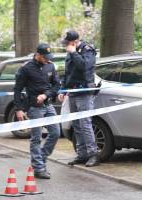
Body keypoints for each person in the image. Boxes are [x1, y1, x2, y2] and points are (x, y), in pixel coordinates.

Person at [14, 43, 61, 179]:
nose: (47, 59)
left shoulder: (50, 66)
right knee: (36, 138)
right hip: (34, 108)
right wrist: (19, 109)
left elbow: (57, 85)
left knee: (56, 133)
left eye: (48, 57)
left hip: (48, 105)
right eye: (45, 57)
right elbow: (17, 90)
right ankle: (39, 168)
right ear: (38, 55)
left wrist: (46, 95)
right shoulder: (26, 69)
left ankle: (41, 157)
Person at [58, 30, 99, 167]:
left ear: (75, 42)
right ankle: (81, 155)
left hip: (84, 91)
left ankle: (93, 155)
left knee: (85, 123)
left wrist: (74, 52)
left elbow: (84, 66)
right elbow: (67, 72)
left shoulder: (88, 50)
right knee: (76, 124)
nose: (66, 46)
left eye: (68, 43)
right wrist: (63, 89)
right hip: (73, 91)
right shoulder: (70, 53)